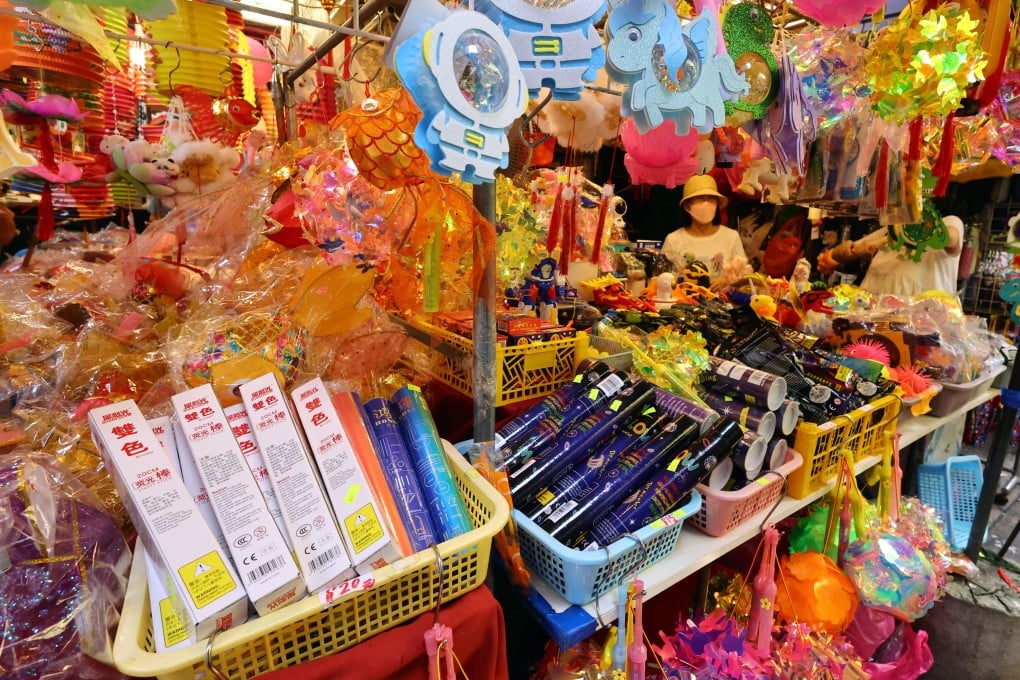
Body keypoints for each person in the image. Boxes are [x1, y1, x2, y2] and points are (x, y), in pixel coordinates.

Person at [661, 174, 746, 281]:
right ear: (687, 206)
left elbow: (743, 274)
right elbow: (663, 279)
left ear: (717, 204)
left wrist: (726, 280)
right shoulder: (673, 239)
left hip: (722, 297)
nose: (706, 204)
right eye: (701, 199)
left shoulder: (731, 237)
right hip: (684, 296)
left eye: (711, 199)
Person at [859, 215, 964, 297]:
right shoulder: (890, 228)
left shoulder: (949, 222)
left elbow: (950, 238)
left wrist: (886, 240)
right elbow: (852, 249)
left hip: (924, 317)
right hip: (873, 314)